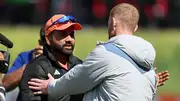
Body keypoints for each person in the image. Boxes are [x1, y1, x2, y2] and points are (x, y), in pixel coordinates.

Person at [28, 3, 165, 101]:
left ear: (113, 22)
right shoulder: (149, 67)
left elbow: (78, 79)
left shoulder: (106, 53)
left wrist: (52, 86)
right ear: (134, 28)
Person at [18, 14, 84, 101]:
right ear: (48, 39)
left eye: (71, 34)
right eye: (63, 34)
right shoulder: (37, 68)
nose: (69, 39)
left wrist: (54, 88)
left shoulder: (79, 65)